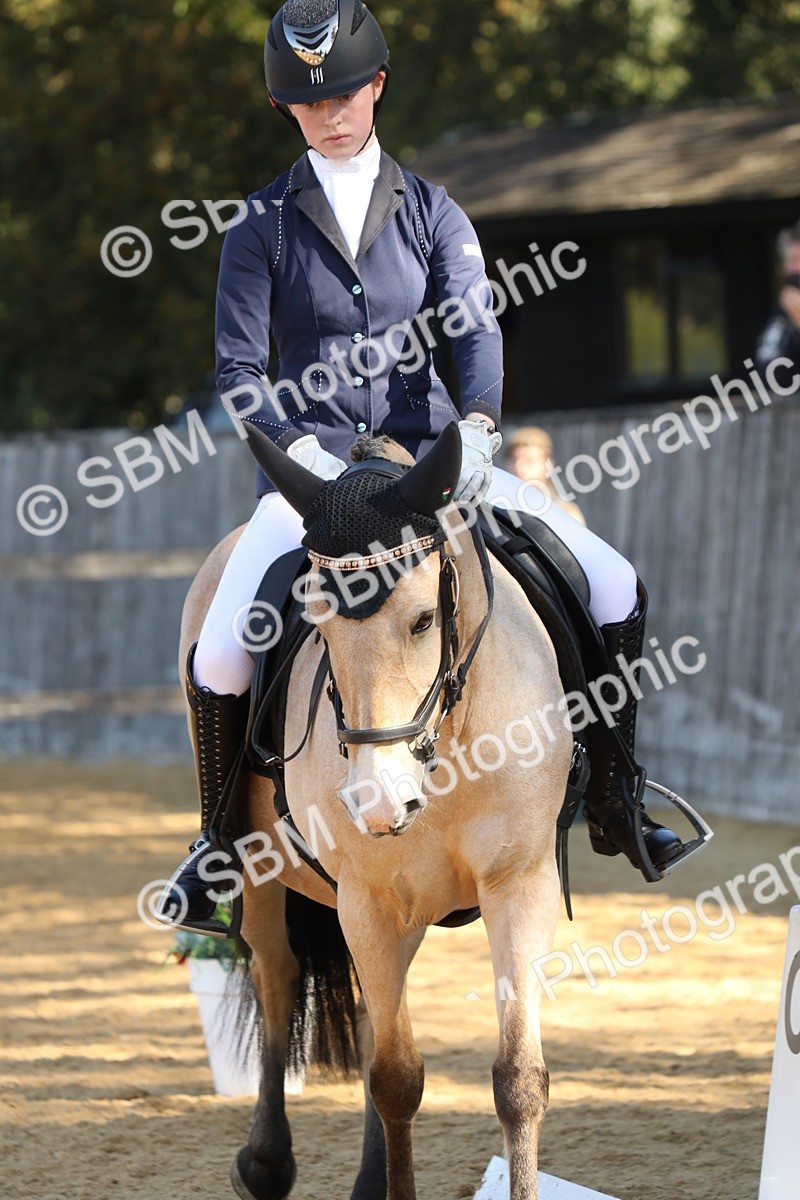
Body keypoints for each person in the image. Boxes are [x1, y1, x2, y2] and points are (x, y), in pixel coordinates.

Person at [159, 0, 699, 935]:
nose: (329, 112)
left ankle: (617, 792)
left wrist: (480, 427)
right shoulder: (260, 227)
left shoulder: (434, 212)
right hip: (313, 478)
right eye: (307, 100)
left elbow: (475, 332)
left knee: (610, 582)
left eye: (343, 93)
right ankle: (216, 846)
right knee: (217, 650)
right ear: (288, 109)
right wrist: (302, 456)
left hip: (431, 463)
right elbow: (240, 373)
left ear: (376, 86)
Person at [505, 426, 586, 525]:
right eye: (514, 460)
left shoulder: (565, 513)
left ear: (548, 464)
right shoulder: (500, 505)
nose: (519, 466)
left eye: (529, 460)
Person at [755, 221, 800, 387]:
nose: (793, 268)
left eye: (798, 259)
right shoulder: (782, 311)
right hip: (773, 408)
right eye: (789, 260)